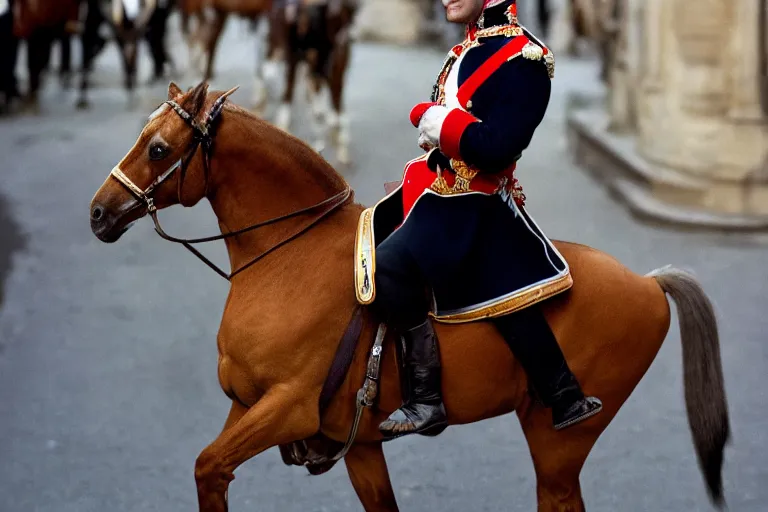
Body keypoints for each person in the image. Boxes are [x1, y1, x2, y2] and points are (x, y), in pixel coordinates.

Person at [369, 0, 603, 439]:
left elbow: (497, 147)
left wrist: (441, 123)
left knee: (388, 266)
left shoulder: (525, 56)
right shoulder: (466, 48)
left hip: (474, 200)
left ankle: (426, 397)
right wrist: (437, 133)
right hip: (438, 188)